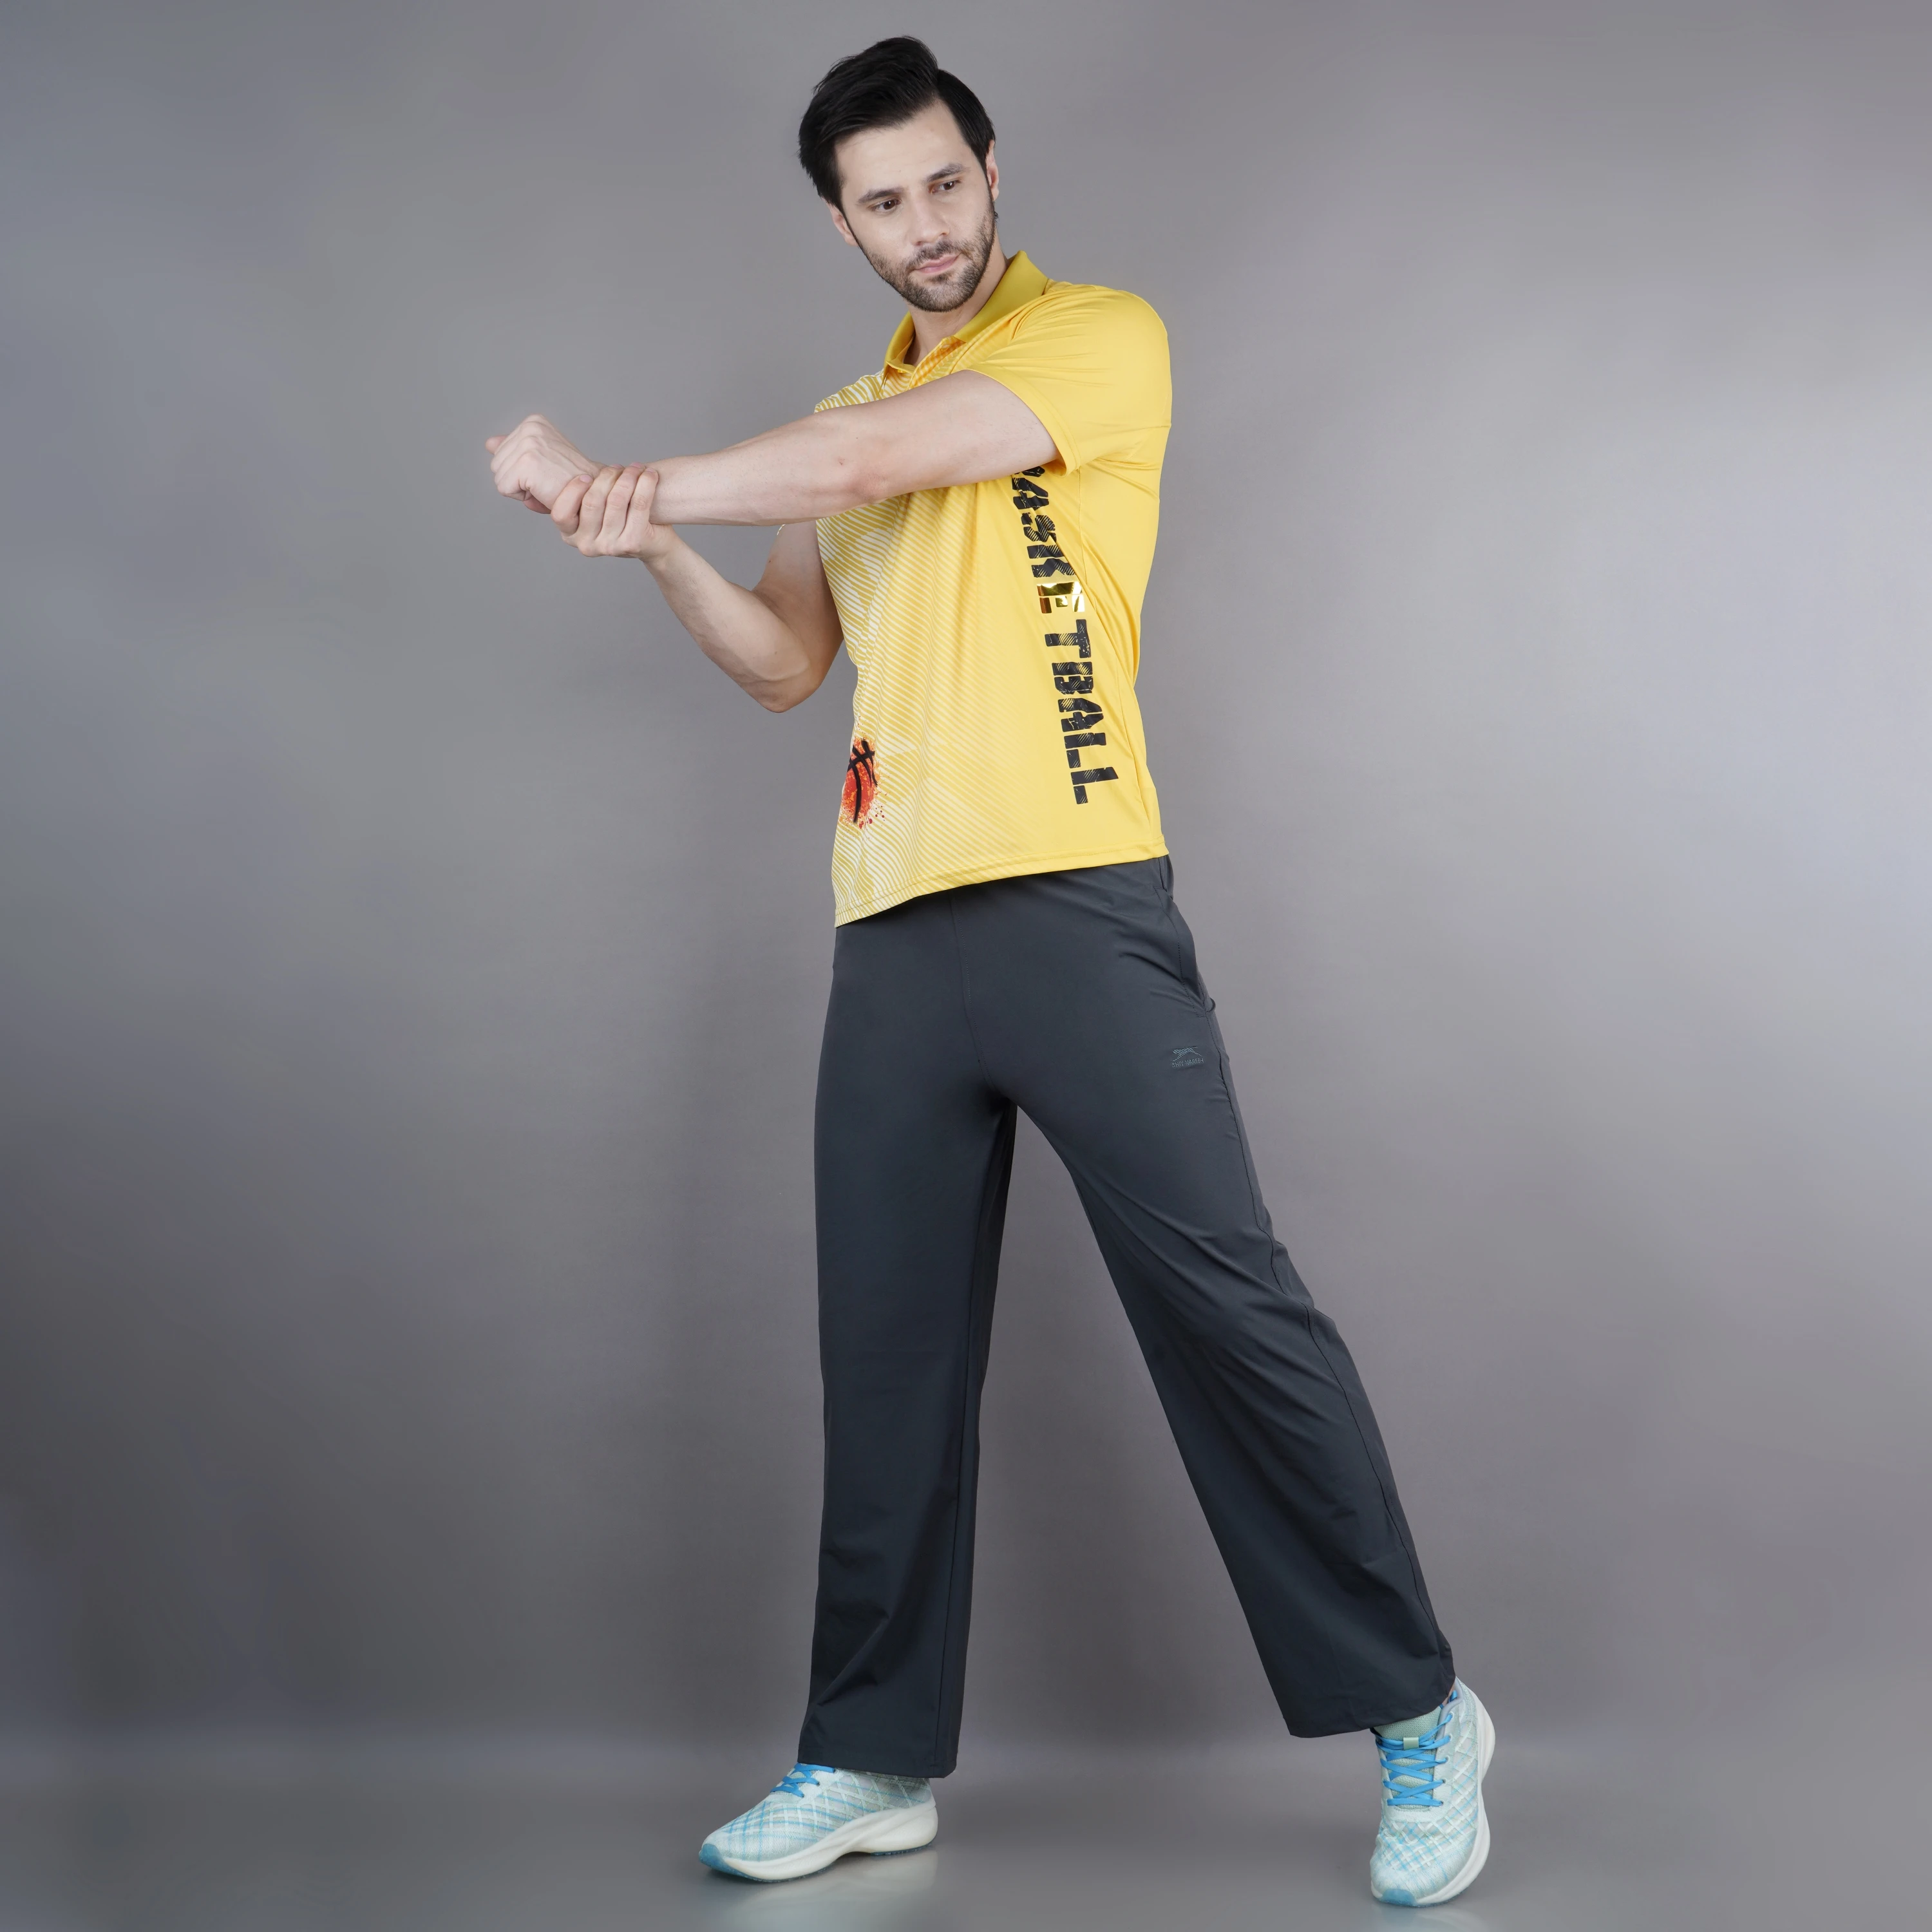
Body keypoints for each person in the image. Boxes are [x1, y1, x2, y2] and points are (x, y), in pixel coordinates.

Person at [484, 35, 1493, 1910]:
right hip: (893, 924)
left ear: (992, 169)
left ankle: (1424, 1715)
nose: (925, 223)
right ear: (844, 225)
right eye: (885, 202)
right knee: (886, 1353)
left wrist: (634, 472)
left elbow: (887, 454)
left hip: (1079, 900)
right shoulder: (831, 420)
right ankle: (871, 1755)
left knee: (1229, 1313)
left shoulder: (1094, 340)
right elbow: (787, 666)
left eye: (945, 181)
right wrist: (643, 541)